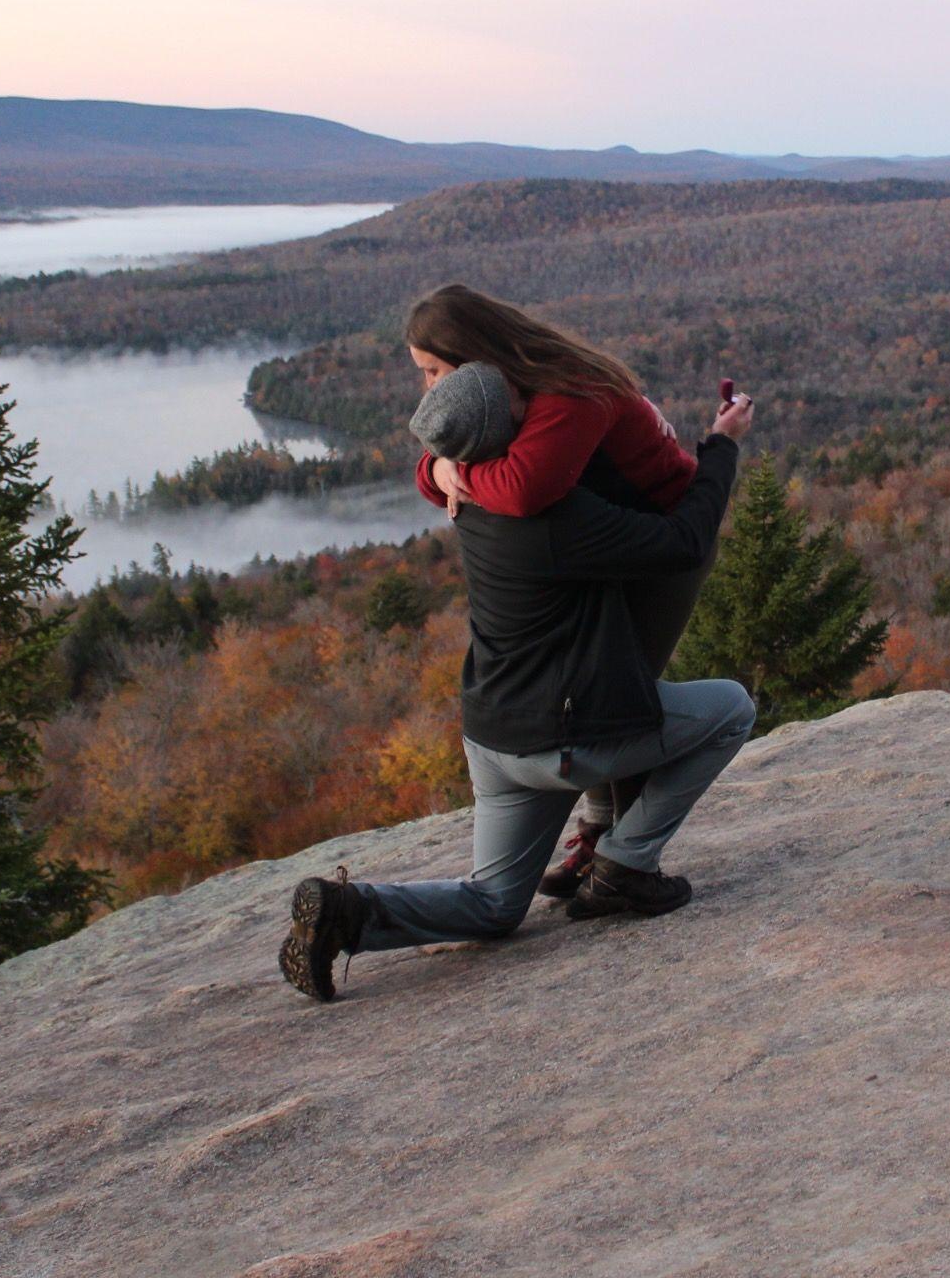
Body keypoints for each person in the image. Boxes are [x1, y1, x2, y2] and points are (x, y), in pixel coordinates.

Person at [281, 361, 757, 1003]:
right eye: (519, 402)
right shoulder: (556, 520)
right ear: (508, 431)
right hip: (563, 742)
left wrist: (438, 467)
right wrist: (722, 444)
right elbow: (687, 540)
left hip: (494, 737)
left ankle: (348, 913)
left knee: (495, 905)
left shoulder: (467, 503)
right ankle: (625, 864)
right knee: (731, 708)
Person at [402, 283, 712, 899]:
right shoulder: (517, 391)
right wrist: (441, 466)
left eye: (434, 371)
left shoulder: (569, 392)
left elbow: (521, 492)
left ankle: (620, 858)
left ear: (473, 356)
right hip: (606, 542)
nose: (430, 389)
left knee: (621, 697)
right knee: (593, 682)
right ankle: (601, 835)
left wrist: (451, 471)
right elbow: (447, 451)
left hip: (662, 546)